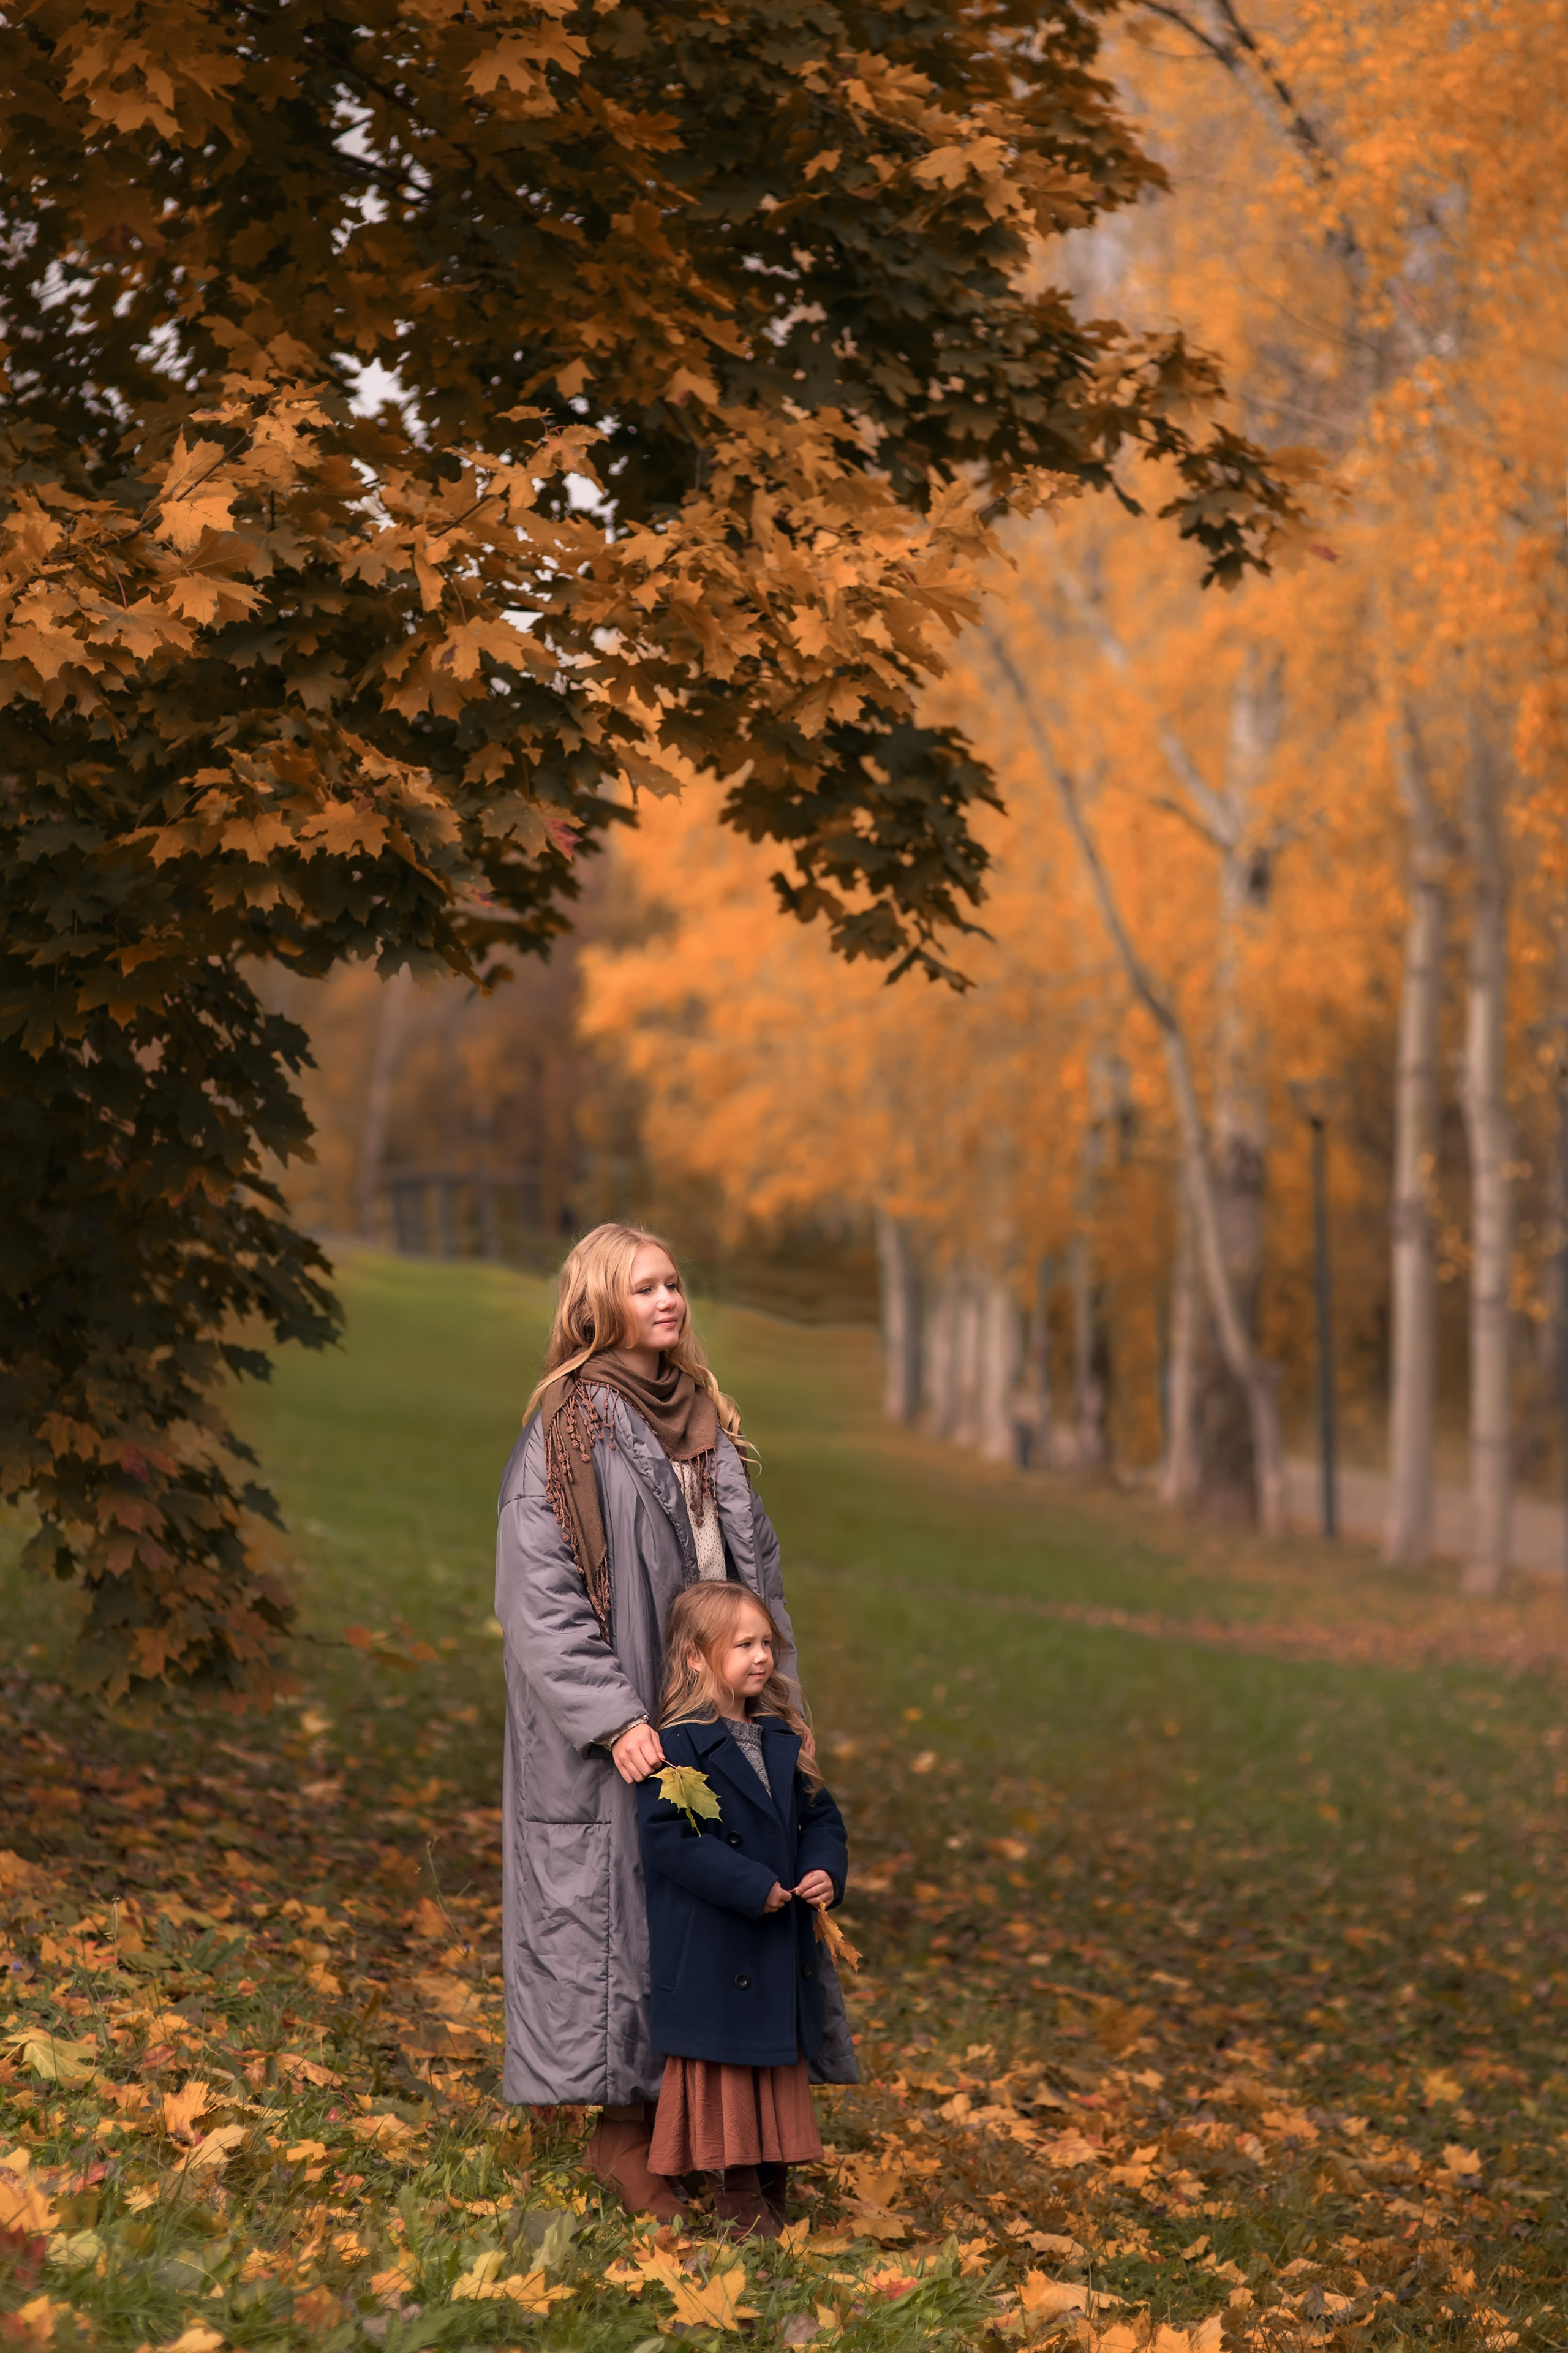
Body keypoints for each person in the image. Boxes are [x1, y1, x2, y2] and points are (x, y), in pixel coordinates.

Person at [494, 1222, 855, 2222]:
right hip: (618, 1726)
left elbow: (756, 1587)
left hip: (715, 1709)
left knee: (705, 1922)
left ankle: (703, 2137)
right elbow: (539, 1597)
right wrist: (614, 1719)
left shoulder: (705, 1421)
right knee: (621, 1925)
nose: (668, 1301)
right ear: (600, 1303)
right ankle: (624, 2139)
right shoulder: (568, 1426)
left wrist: (778, 1704)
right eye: (645, 1286)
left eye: (675, 1283)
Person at [636, 1583, 848, 2238]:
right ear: (696, 1657)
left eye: (765, 1643)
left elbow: (821, 1819)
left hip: (777, 1944)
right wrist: (752, 1885)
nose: (761, 1656)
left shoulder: (781, 1738)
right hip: (717, 1942)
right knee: (727, 2071)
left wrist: (823, 1870)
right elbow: (670, 1840)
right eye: (743, 1645)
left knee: (773, 2066)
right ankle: (737, 2199)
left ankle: (774, 2187)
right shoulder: (676, 1746)